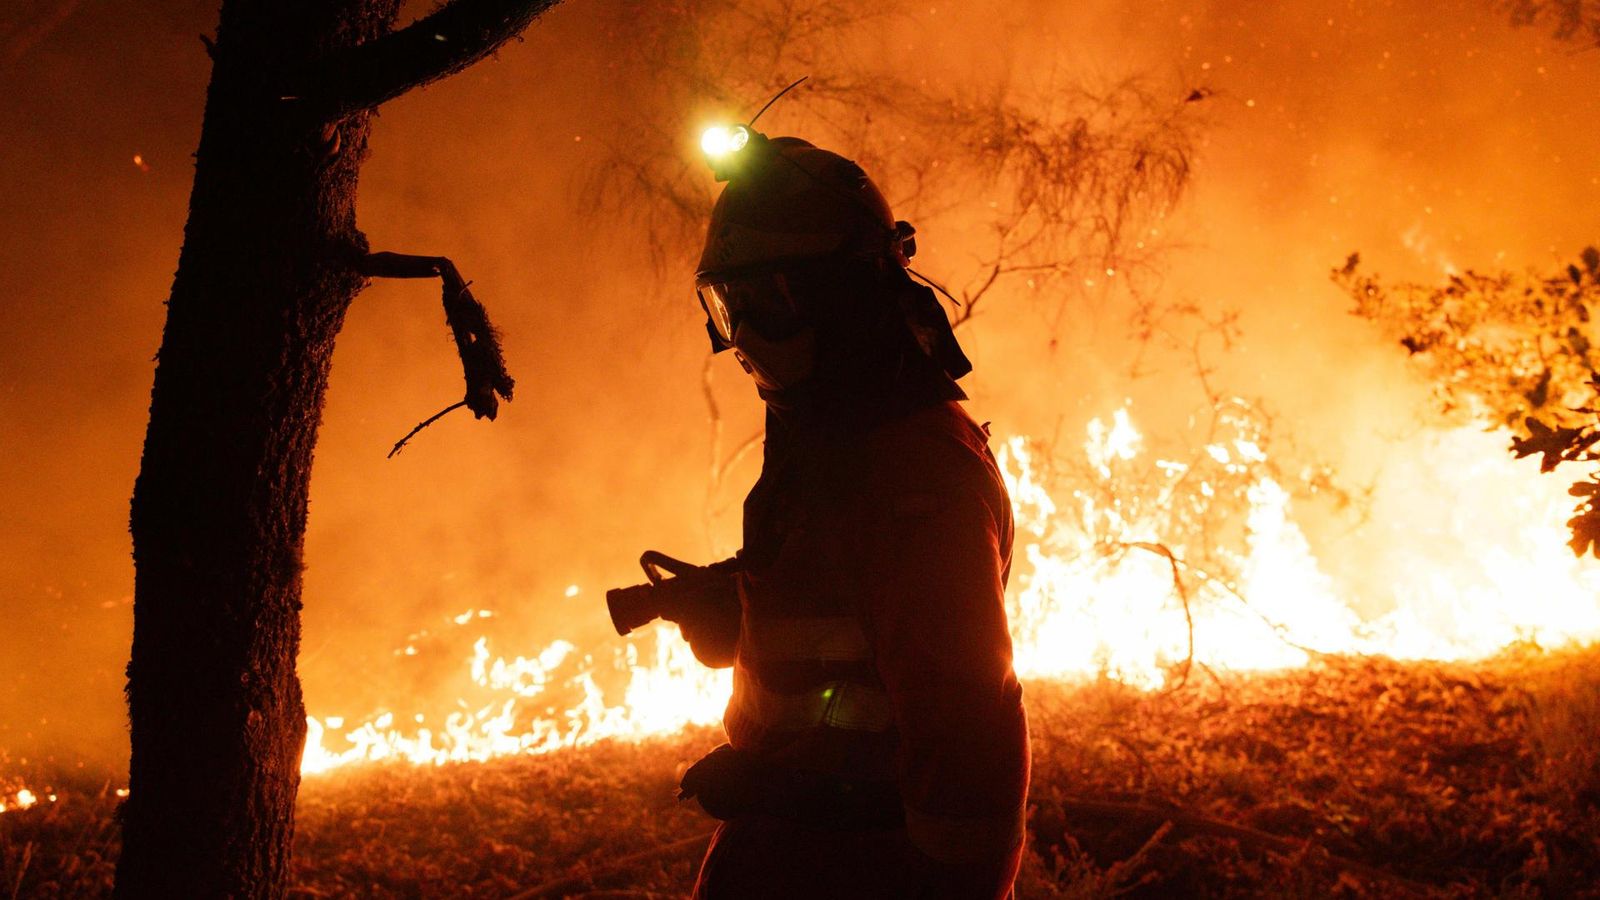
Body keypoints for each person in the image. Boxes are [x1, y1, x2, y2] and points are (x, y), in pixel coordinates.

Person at [667, 130, 1029, 899]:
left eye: (771, 301)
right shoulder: (830, 433)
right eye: (732, 305)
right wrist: (737, 608)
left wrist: (790, 796)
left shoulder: (915, 473)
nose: (749, 337)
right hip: (783, 860)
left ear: (848, 296)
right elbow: (842, 620)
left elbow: (962, 720)